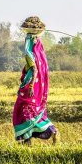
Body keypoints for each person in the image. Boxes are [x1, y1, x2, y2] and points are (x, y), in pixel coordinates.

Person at [12, 16, 58, 145]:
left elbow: (35, 69)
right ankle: (51, 131)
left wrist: (31, 86)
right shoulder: (38, 48)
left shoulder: (29, 53)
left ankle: (26, 140)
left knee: (23, 109)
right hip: (36, 84)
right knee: (35, 110)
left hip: (31, 84)